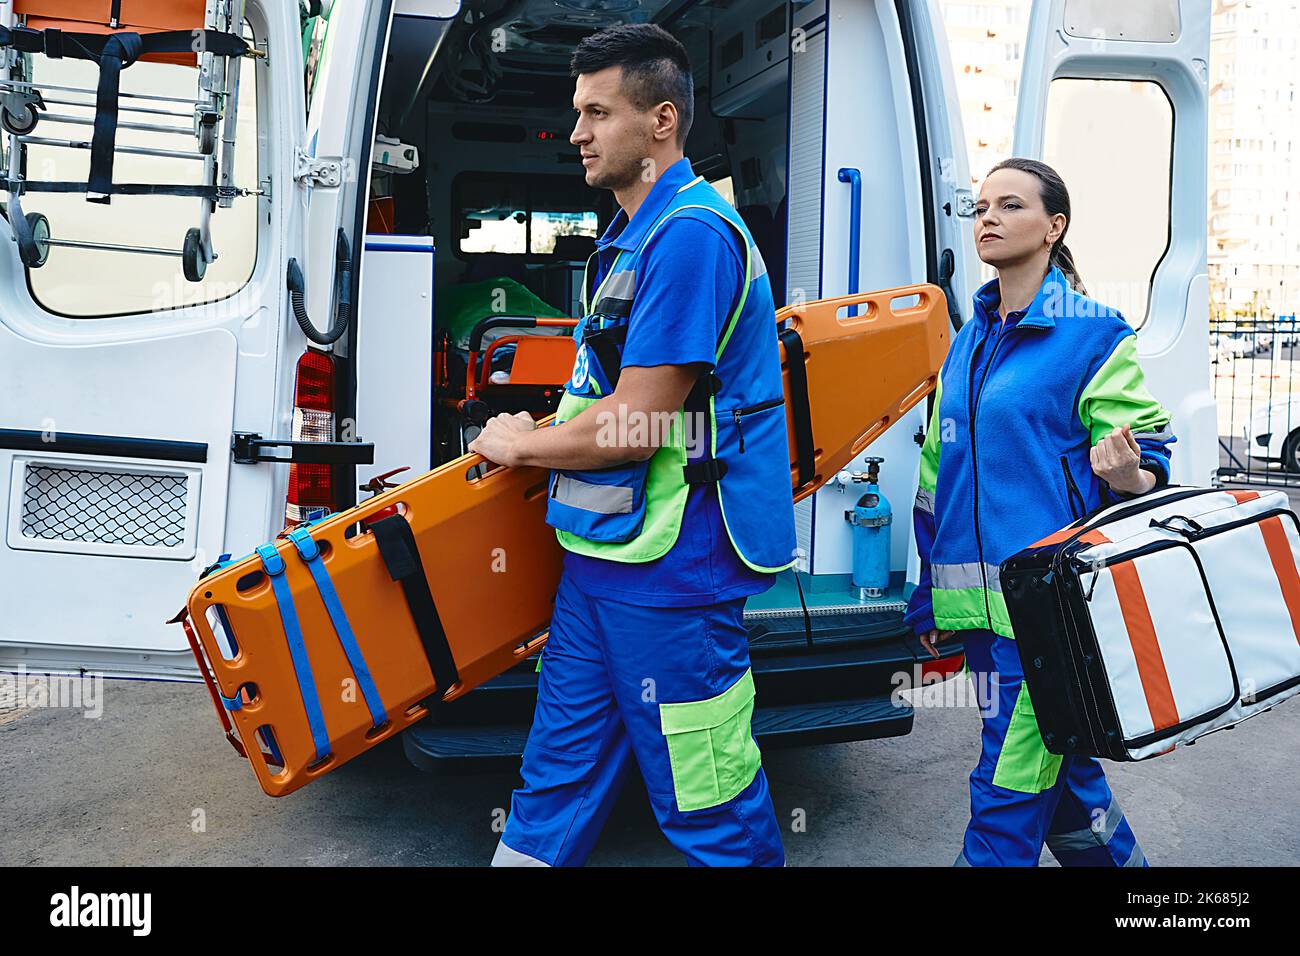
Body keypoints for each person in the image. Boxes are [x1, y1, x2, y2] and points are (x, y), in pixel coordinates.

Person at [467, 23, 795, 867]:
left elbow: (640, 425)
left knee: (707, 800)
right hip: (605, 557)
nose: (576, 131)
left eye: (596, 112)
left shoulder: (690, 235)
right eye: (578, 112)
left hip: (676, 571)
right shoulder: (634, 234)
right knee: (553, 782)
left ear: (661, 123)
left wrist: (523, 446)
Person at [904, 157, 1176, 867]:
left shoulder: (1093, 334)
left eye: (1011, 206)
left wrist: (1132, 473)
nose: (988, 217)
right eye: (983, 206)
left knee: (1005, 794)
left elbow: (1145, 450)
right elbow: (938, 476)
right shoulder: (969, 337)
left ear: (1054, 226)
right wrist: (929, 598)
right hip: (986, 622)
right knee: (1068, 787)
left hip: (1053, 614)